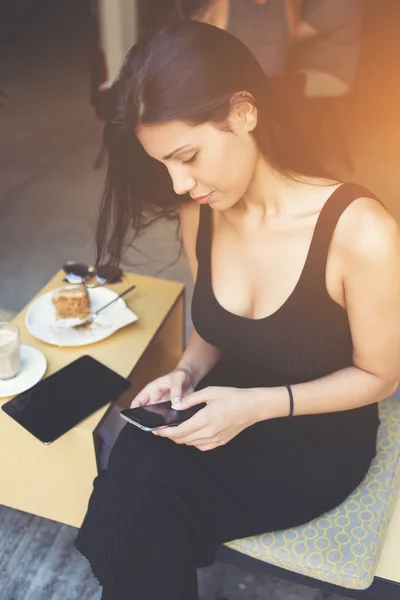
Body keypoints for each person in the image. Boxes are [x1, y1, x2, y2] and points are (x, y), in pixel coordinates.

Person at [75, 21, 400, 600]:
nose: (180, 182)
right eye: (165, 165)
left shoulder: (361, 232)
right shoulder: (201, 212)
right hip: (221, 406)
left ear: (243, 113)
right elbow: (217, 327)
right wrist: (187, 371)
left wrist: (254, 407)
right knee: (134, 475)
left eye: (189, 156)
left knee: (141, 507)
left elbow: (380, 376)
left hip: (314, 440)